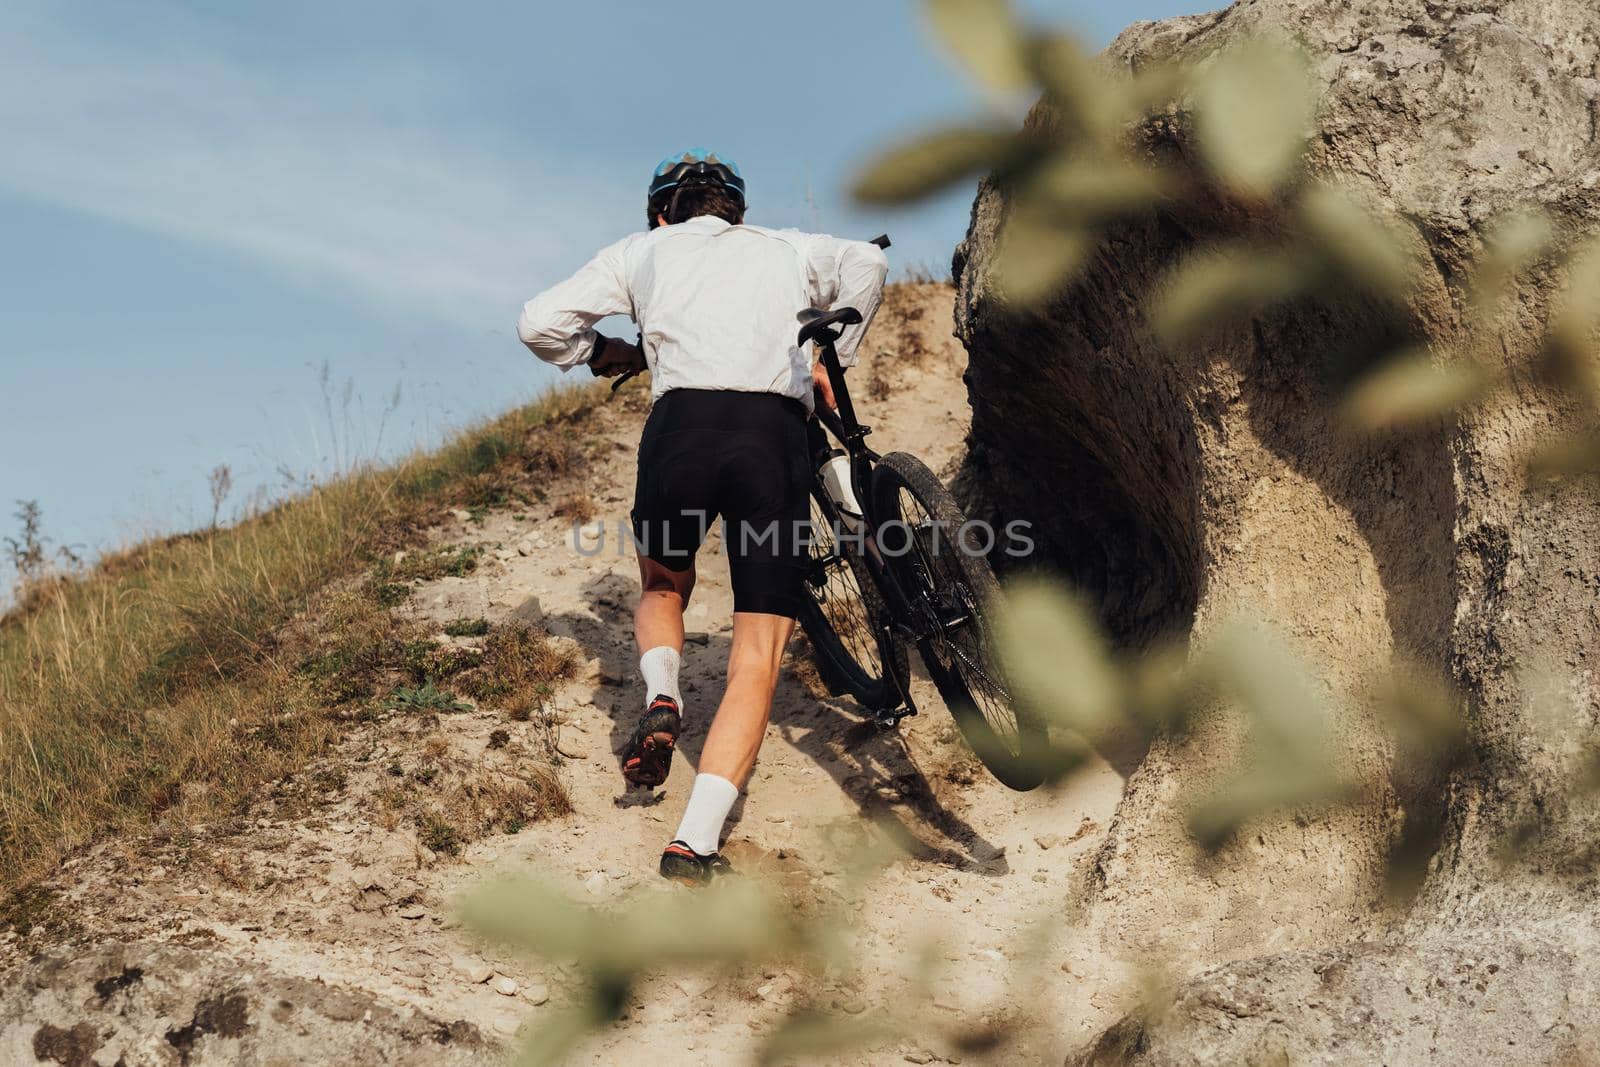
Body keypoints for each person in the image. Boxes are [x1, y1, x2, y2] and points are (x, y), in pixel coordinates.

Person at [516, 148, 888, 885]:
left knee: (661, 586)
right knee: (757, 656)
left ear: (661, 213)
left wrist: (599, 351)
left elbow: (537, 322)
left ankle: (662, 693)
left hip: (679, 430)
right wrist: (828, 355)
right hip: (770, 435)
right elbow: (869, 268)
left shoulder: (640, 250)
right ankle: (694, 841)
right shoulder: (787, 245)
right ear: (736, 212)